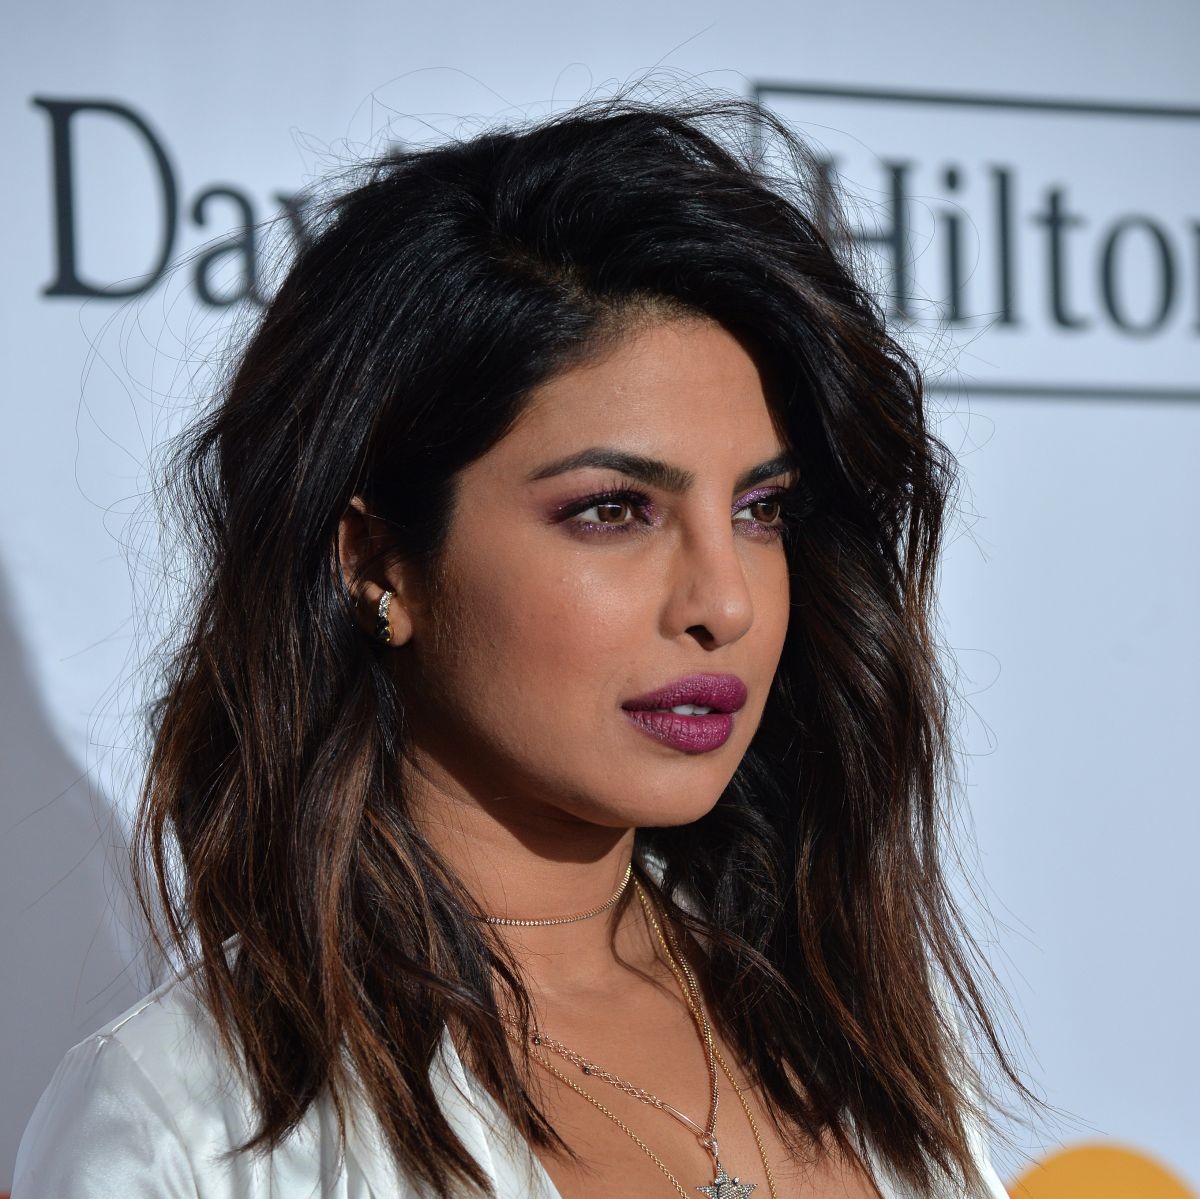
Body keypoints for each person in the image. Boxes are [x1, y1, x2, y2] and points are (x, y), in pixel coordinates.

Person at [12, 90, 1032, 1198]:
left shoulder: (859, 1026)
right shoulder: (187, 1122)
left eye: (760, 510)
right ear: (377, 561)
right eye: (613, 510)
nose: (726, 603)